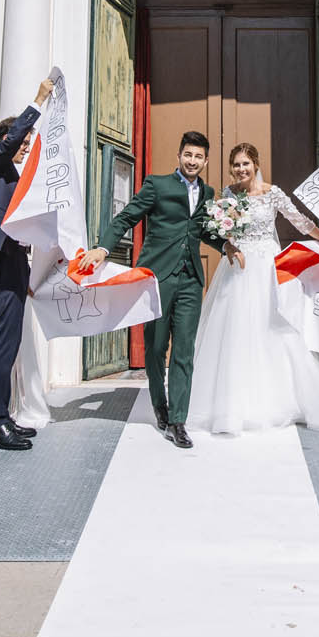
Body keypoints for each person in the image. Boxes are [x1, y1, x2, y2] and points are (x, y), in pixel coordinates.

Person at [187, 143, 319, 436]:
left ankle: (283, 397)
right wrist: (226, 236)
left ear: (255, 164)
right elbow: (219, 231)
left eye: (245, 164)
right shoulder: (228, 195)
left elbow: (301, 222)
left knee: (274, 327)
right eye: (236, 165)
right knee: (234, 329)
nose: (241, 169)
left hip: (265, 267)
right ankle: (229, 401)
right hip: (237, 267)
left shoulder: (272, 193)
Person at [93, 129, 233, 450]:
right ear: (180, 155)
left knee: (184, 350)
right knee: (156, 349)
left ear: (206, 160)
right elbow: (126, 217)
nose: (193, 161)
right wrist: (103, 247)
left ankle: (178, 421)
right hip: (156, 279)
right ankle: (160, 404)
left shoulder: (209, 193)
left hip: (190, 280)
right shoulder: (158, 185)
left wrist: (227, 244)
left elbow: (201, 232)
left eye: (199, 156)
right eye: (188, 155)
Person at [0, 77, 51, 452]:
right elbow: (8, 145)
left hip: (16, 262)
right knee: (4, 343)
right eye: (22, 143)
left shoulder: (17, 178)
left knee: (8, 341)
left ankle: (2, 416)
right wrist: (38, 100)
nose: (24, 149)